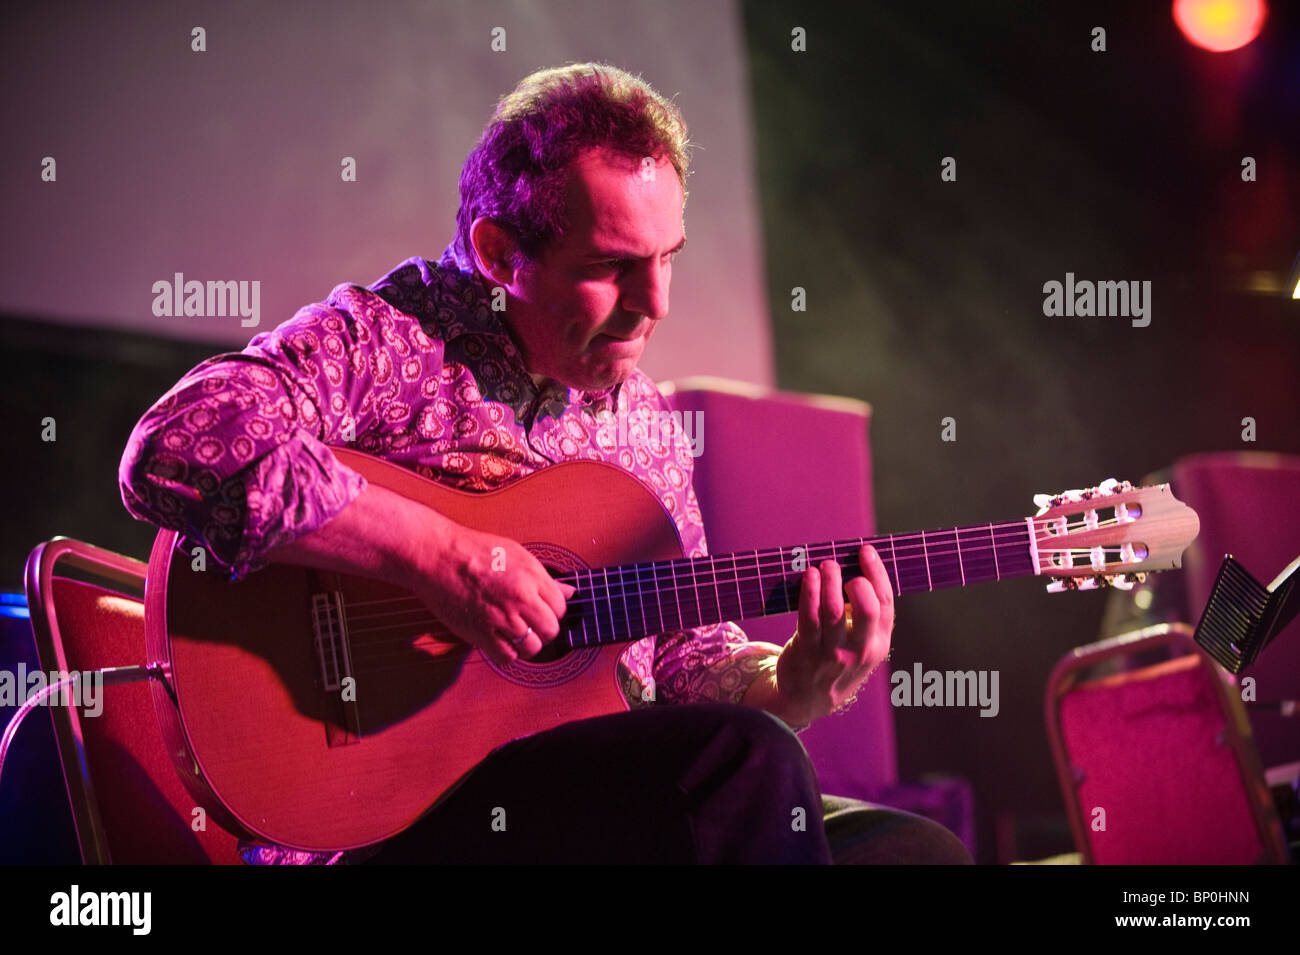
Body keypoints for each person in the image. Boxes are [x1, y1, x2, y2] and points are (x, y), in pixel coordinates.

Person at [119, 62, 972, 864]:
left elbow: (682, 660)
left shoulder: (645, 420)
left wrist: (793, 683)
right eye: (611, 267)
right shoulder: (388, 340)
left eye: (667, 257)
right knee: (743, 763)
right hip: (389, 821)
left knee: (914, 851)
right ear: (498, 255)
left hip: (595, 808)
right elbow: (177, 445)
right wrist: (444, 557)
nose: (656, 305)